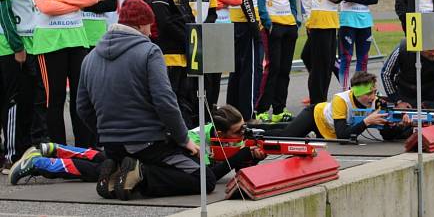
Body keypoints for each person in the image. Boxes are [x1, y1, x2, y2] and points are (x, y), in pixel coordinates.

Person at [75, 0, 211, 200]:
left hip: (111, 144)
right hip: (147, 142)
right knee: (204, 178)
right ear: (139, 25)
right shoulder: (149, 51)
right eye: (149, 25)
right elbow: (165, 101)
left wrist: (105, 131)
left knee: (140, 159)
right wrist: (183, 139)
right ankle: (141, 175)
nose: (150, 31)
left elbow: (82, 107)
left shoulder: (90, 57)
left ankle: (117, 171)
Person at [9, 105, 265, 193]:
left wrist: (246, 157)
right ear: (219, 134)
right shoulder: (197, 141)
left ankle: (51, 148)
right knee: (98, 170)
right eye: (239, 131)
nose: (242, 135)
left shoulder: (213, 133)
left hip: (139, 149)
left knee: (101, 159)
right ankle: (38, 164)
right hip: (145, 157)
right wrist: (240, 158)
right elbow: (207, 176)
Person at [26, 0, 101, 147]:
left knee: (81, 98)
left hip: (76, 38)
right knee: (55, 99)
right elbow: (45, 6)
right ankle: (60, 150)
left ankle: (84, 149)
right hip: (50, 42)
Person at [266, 71, 411, 140]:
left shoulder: (377, 101)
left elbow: (386, 135)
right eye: (368, 94)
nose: (372, 97)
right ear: (357, 93)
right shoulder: (340, 100)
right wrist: (367, 121)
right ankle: (258, 132)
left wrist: (401, 125)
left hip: (331, 129)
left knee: (289, 130)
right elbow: (342, 136)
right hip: (315, 117)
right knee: (287, 136)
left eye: (374, 92)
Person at [0, 0, 39, 172]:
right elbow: (4, 12)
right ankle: (13, 154)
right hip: (12, 48)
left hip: (33, 43)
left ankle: (24, 148)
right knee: (14, 101)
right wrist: (16, 46)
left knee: (29, 100)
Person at [254, 0, 299, 123]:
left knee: (285, 70)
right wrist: (267, 22)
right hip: (274, 26)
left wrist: (295, 19)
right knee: (273, 68)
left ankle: (279, 109)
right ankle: (262, 109)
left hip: (289, 26)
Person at [151, 0, 196, 128]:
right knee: (173, 94)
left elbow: (190, 18)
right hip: (170, 54)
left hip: (187, 53)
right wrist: (187, 37)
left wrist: (193, 37)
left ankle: (188, 127)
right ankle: (173, 130)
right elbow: (166, 23)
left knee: (187, 94)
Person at [225, 0, 266, 121]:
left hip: (240, 22)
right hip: (244, 23)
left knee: (239, 70)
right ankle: (247, 114)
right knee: (249, 71)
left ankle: (234, 113)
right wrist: (253, 25)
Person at [197, 0, 242, 105]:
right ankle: (203, 113)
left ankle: (214, 110)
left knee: (216, 77)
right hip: (207, 27)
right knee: (205, 77)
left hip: (224, 28)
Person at [336, 0, 378, 90]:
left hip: (365, 21)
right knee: (346, 58)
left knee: (363, 60)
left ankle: (360, 92)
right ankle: (345, 93)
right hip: (347, 21)